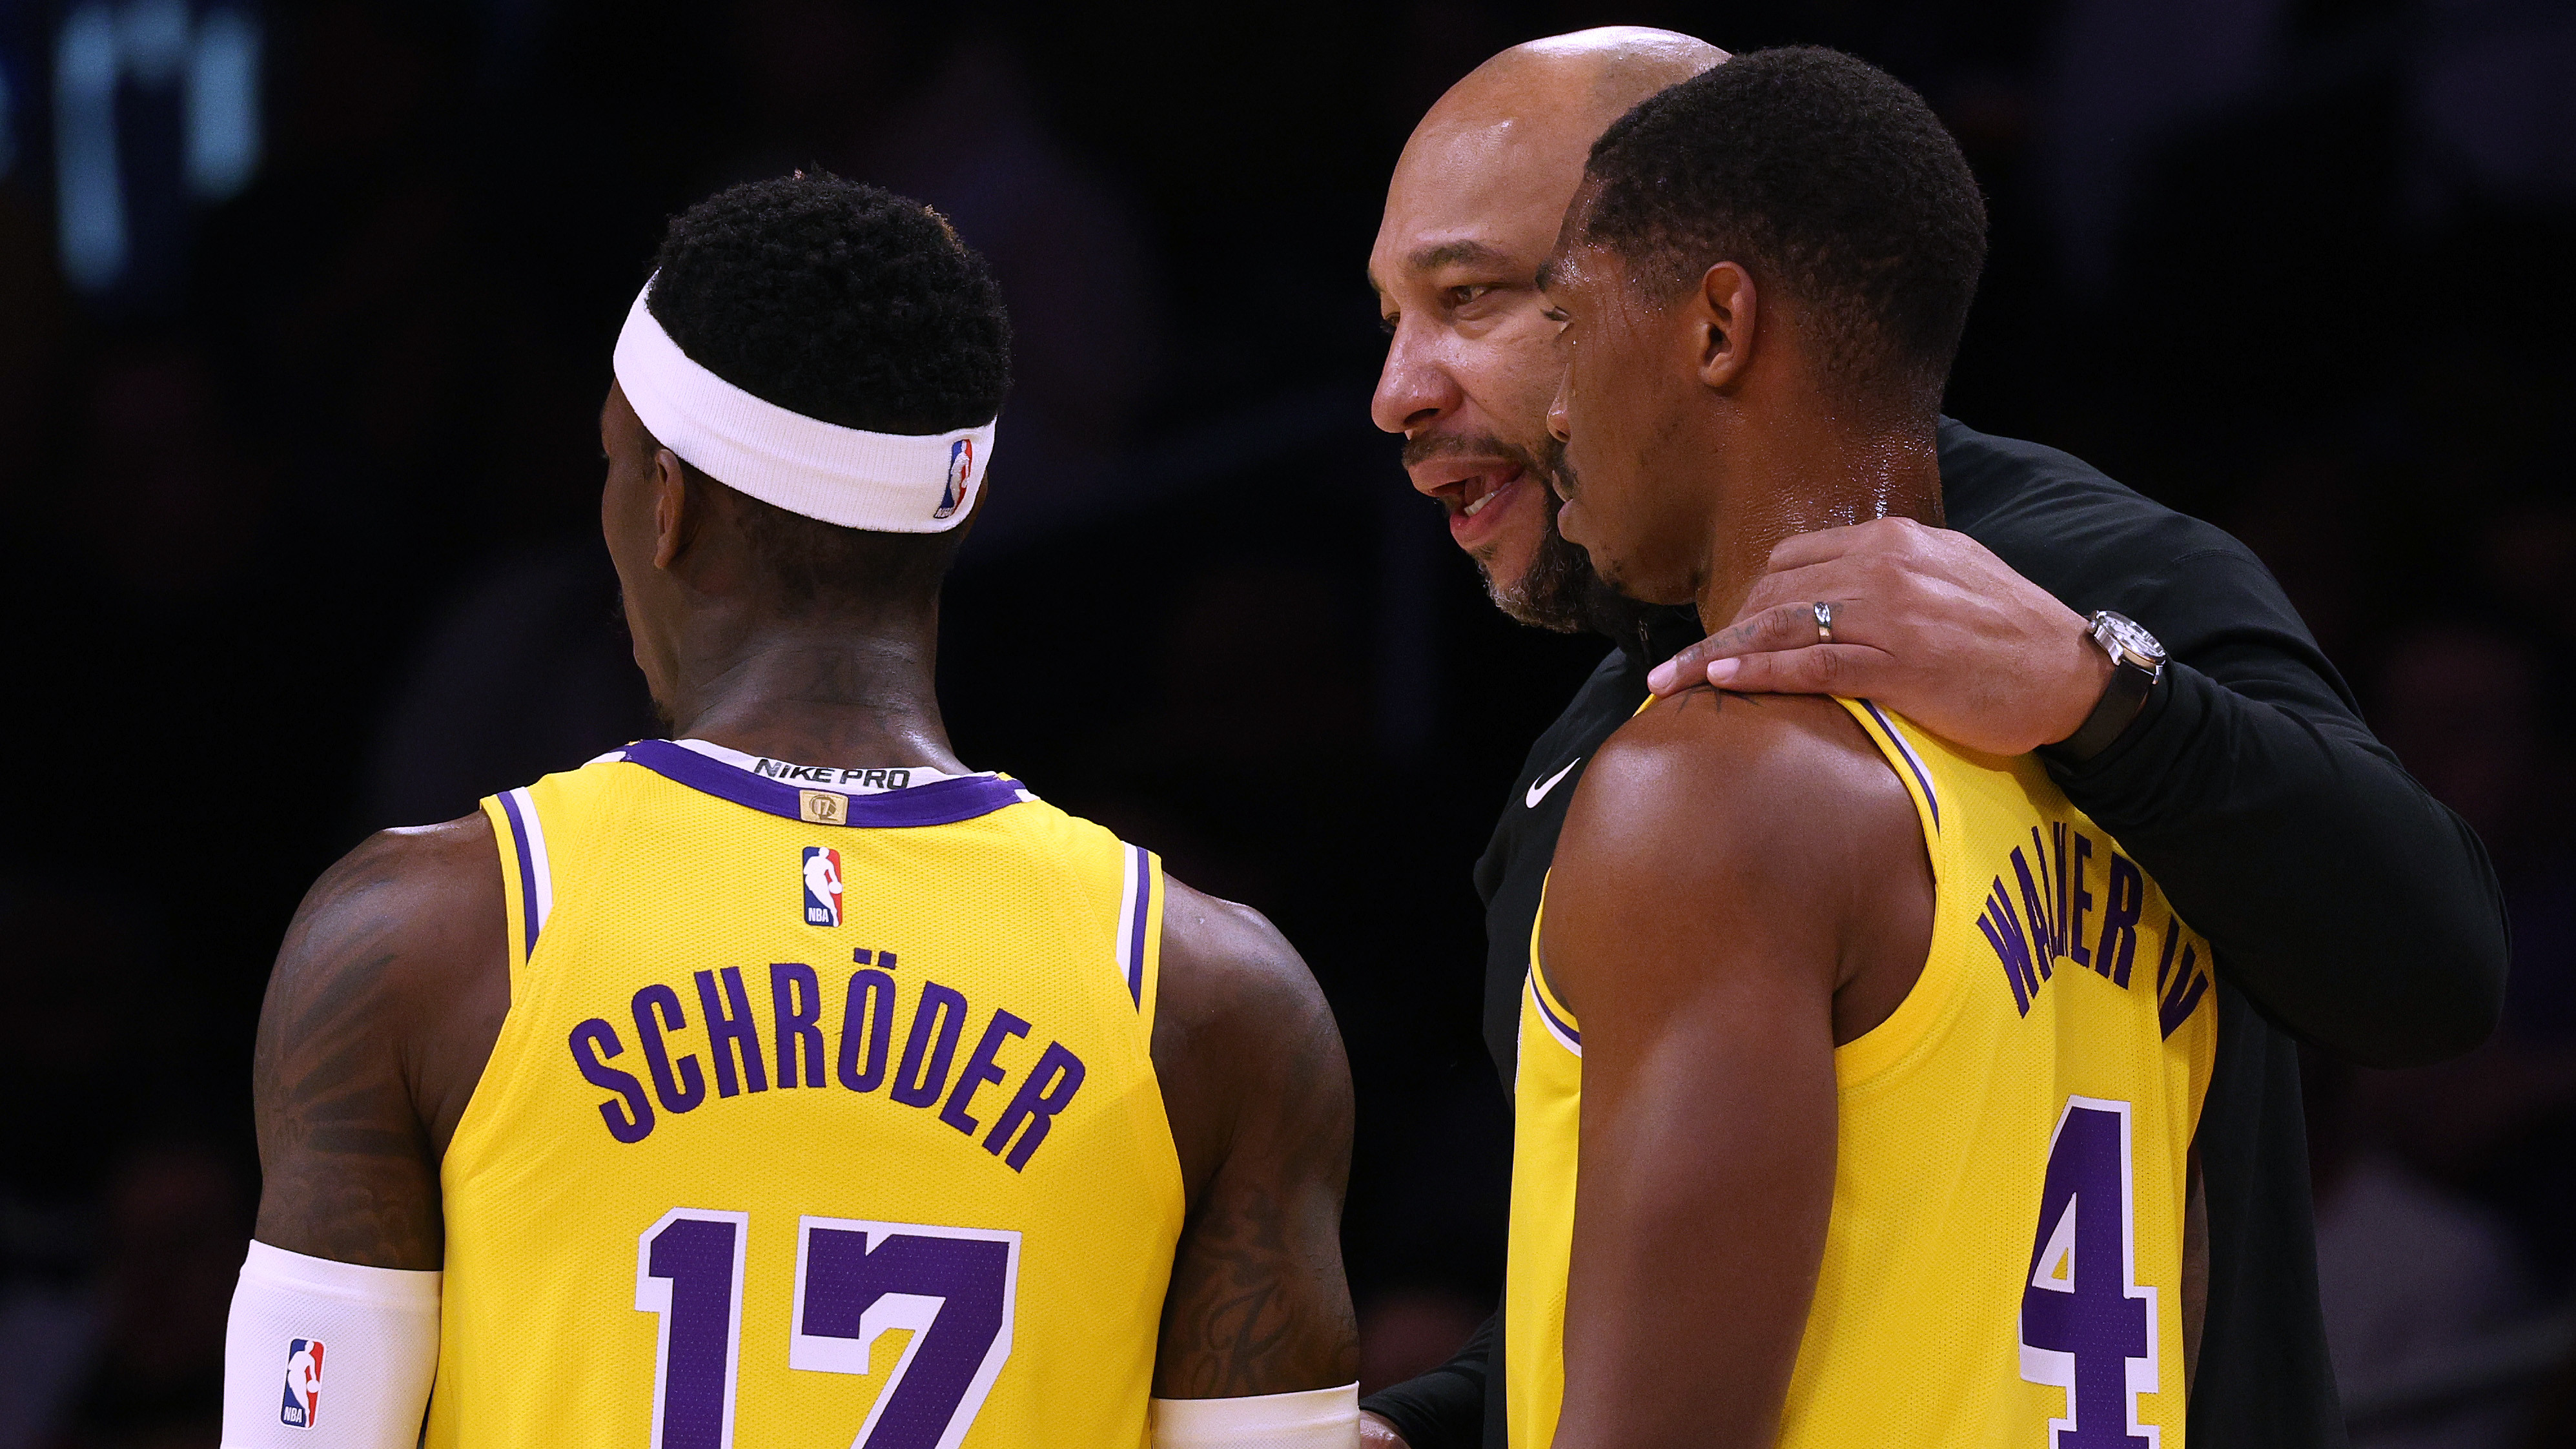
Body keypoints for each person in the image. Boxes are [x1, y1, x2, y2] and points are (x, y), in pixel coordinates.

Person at [1363, 28, 2509, 1449]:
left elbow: (2438, 964)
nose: (1397, 391)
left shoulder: (2093, 583)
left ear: (1702, 288)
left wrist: (2103, 695)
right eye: (1390, 318)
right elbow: (1726, 1278)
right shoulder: (1598, 748)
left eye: (1476, 298)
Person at [220, 176, 1360, 1449]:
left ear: (665, 503)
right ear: (958, 503)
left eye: (611, 460)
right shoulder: (1218, 997)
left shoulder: (417, 939)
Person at [1516, 46, 2214, 1444]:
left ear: (1717, 330)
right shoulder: (2129, 806)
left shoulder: (1718, 794)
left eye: (1568, 325)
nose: (1549, 407)